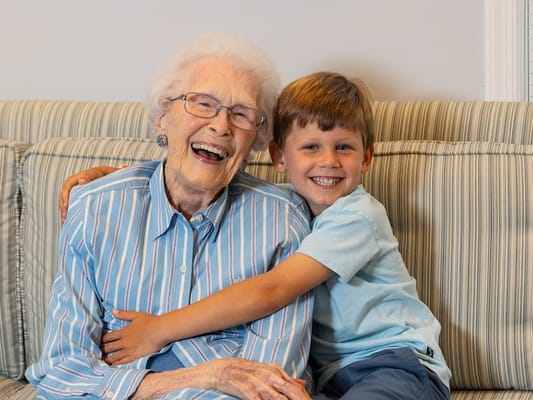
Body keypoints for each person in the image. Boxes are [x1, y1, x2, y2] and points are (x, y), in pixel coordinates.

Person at [59, 71, 452, 399]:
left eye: (344, 148)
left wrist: (161, 328)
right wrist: (113, 176)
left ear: (367, 156)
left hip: (396, 364)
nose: (328, 162)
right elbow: (192, 174)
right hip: (334, 376)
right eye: (311, 147)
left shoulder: (357, 215)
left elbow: (272, 291)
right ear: (280, 158)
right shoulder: (288, 204)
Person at [26, 32, 315, 400]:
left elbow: (268, 385)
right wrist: (209, 374)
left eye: (241, 114)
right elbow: (62, 372)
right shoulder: (95, 209)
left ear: (255, 142)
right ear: (162, 117)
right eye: (203, 103)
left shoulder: (282, 222)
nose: (221, 126)